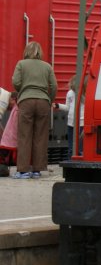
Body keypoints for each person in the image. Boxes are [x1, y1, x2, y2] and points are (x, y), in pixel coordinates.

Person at [12, 41, 57, 179]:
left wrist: (23, 91)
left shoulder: (21, 64)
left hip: (26, 101)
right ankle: (37, 170)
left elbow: (16, 82)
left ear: (26, 51)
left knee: (25, 136)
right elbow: (54, 85)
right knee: (40, 136)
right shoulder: (47, 66)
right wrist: (49, 99)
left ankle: (24, 171)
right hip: (43, 102)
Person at [65, 76, 78, 158]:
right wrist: (57, 105)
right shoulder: (70, 93)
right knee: (80, 146)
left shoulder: (69, 92)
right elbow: (67, 107)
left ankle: (71, 159)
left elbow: (67, 108)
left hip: (73, 122)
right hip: (76, 122)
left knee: (71, 146)